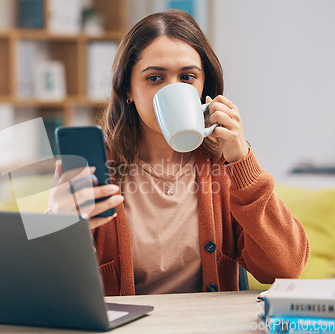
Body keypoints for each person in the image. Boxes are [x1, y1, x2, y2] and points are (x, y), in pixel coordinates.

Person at [48, 10, 309, 296]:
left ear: (202, 87)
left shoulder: (226, 167)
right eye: (155, 78)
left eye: (187, 77)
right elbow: (51, 287)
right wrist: (59, 225)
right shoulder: (96, 168)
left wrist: (242, 160)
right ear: (128, 90)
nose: (173, 89)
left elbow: (287, 268)